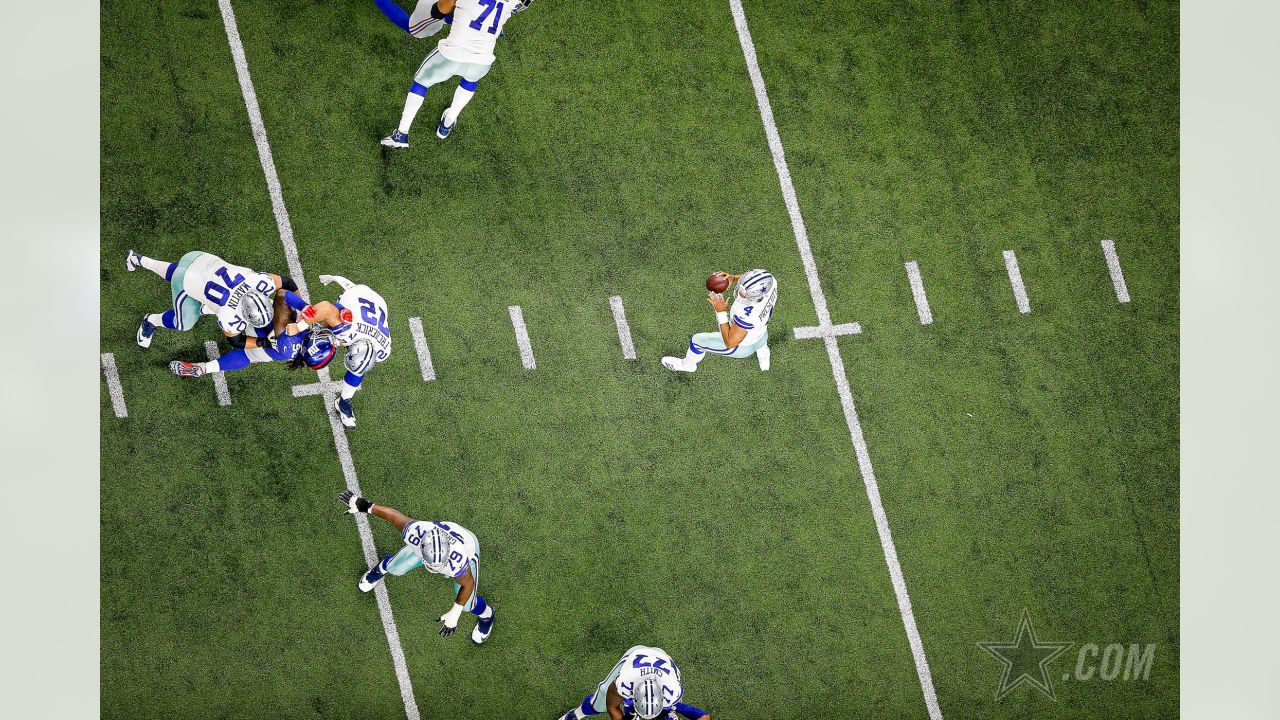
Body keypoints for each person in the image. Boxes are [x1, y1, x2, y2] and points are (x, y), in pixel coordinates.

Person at [338, 490, 496, 644]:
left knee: (468, 605)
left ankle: (488, 616)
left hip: (468, 545)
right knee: (396, 567)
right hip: (433, 544)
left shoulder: (458, 560)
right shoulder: (416, 534)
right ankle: (379, 570)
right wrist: (365, 505)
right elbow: (394, 517)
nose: (434, 568)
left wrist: (455, 613)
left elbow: (468, 583)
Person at [375, 0, 533, 147]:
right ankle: (448, 122)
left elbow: (439, 11)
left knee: (421, 81)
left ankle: (401, 134)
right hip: (483, 61)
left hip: (451, 55)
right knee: (470, 80)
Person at [661, 269, 777, 373]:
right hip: (761, 333)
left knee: (697, 341)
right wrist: (734, 278)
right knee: (761, 343)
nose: (739, 291)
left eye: (743, 292)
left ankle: (687, 365)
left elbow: (730, 343)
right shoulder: (769, 281)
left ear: (753, 297)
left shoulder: (746, 314)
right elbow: (751, 279)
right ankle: (764, 359)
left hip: (742, 346)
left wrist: (720, 312)